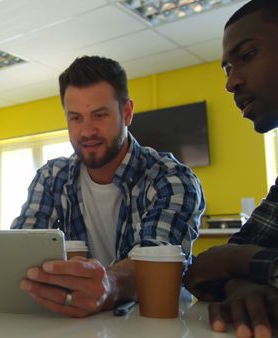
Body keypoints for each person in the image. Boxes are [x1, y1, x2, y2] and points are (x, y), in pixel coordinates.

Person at [12, 55, 206, 317]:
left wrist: (108, 286)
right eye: (76, 118)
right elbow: (19, 252)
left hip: (155, 324)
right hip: (75, 323)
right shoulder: (52, 178)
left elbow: (154, 261)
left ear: (126, 113)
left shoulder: (171, 179)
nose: (86, 131)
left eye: (99, 115)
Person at [183, 1, 278, 337]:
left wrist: (241, 263)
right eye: (226, 68)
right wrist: (241, 286)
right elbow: (207, 267)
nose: (230, 83)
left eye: (248, 55)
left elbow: (231, 256)